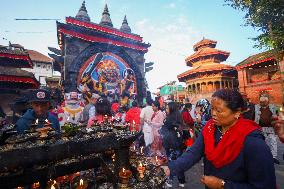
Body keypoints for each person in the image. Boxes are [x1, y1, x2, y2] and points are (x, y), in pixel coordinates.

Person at [162, 89, 276, 189]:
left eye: (219, 110)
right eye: (212, 109)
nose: (213, 114)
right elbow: (193, 153)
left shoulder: (253, 142)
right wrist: (171, 168)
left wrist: (223, 185)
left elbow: (265, 185)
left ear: (237, 112)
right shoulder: (210, 129)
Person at [160, 101, 185, 187]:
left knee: (171, 163)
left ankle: (170, 181)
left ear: (172, 109)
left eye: (167, 108)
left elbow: (163, 131)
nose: (166, 110)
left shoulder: (169, 119)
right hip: (179, 144)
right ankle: (182, 181)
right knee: (179, 162)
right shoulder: (179, 117)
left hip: (170, 144)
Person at [254, 93, 279, 164]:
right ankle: (264, 156)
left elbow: (277, 115)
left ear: (267, 101)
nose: (262, 103)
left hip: (271, 127)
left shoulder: (273, 107)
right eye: (261, 102)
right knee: (263, 143)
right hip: (260, 128)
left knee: (273, 142)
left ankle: (274, 157)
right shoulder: (256, 107)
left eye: (264, 102)